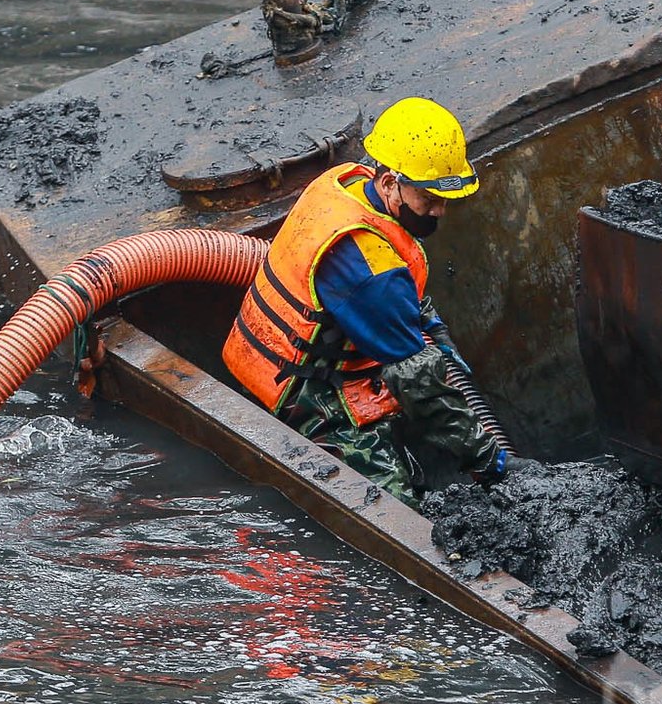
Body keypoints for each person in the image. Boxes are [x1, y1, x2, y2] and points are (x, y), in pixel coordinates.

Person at [222, 97, 525, 503]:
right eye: (428, 199)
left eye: (445, 200)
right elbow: (420, 385)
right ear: (389, 182)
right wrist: (491, 461)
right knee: (397, 510)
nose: (439, 212)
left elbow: (398, 288)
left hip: (265, 363)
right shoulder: (369, 270)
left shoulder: (347, 187)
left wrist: (429, 325)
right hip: (304, 402)